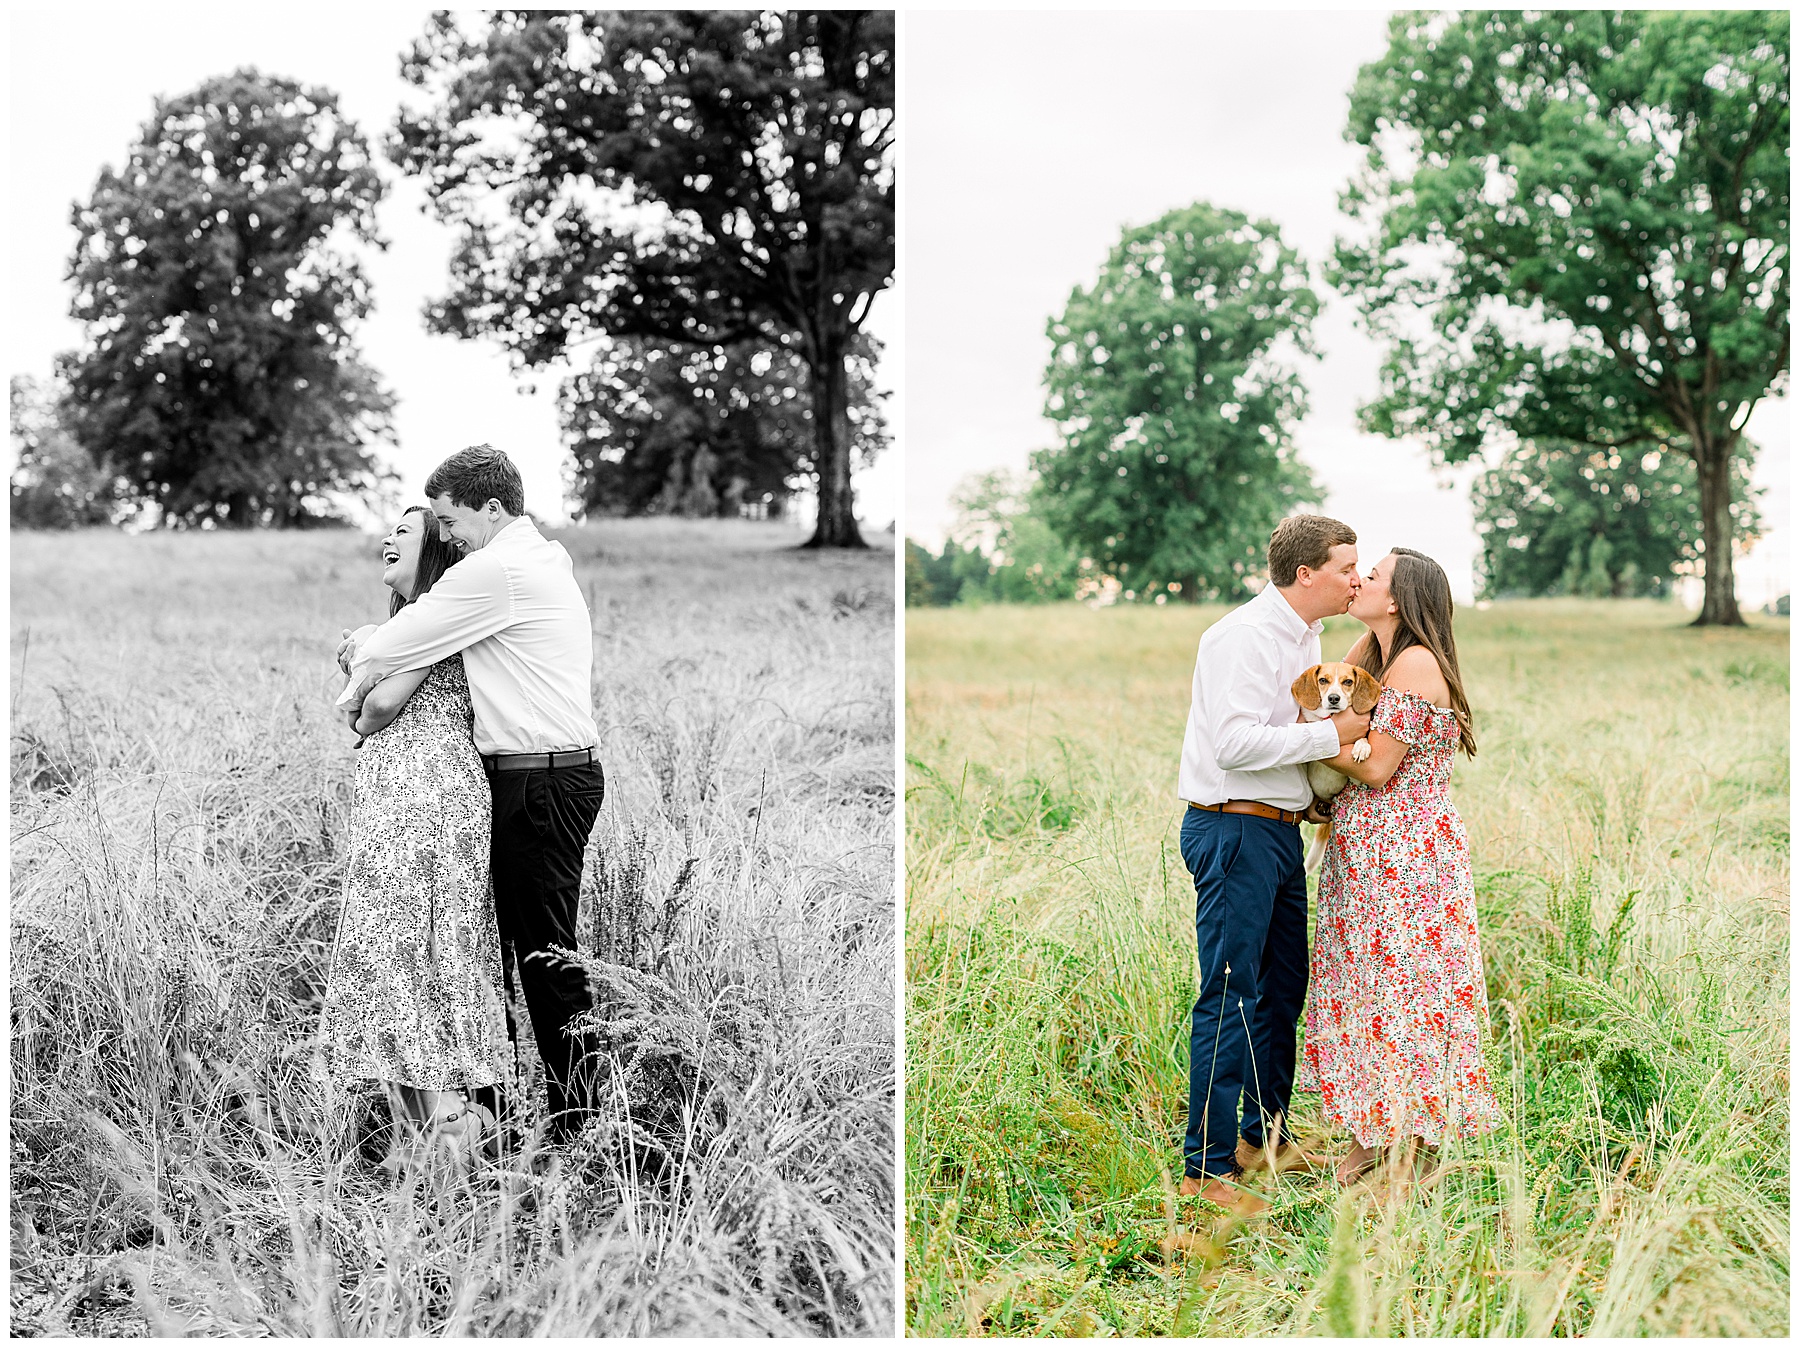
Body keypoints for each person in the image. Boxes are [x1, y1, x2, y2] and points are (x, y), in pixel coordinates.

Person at [337, 444, 604, 1147]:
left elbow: (402, 640)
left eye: (451, 520)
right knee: (495, 950)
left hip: (539, 778)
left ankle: (578, 1130)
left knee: (543, 958)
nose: (445, 535)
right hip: (536, 773)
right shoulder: (542, 557)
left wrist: (361, 649)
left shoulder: (499, 567)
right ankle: (501, 1111)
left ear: (491, 508)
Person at [1175, 515, 1370, 1218]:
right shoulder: (1244, 637)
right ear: (1307, 573)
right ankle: (1205, 1170)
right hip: (1233, 831)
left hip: (1279, 832)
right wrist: (1334, 734)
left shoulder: (1305, 637)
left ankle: (1265, 1137)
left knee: (1283, 991)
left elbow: (1279, 742)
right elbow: (1232, 745)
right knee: (1228, 995)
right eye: (1348, 566)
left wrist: (1310, 795)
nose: (1358, 576)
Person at [1303, 548, 1504, 1186]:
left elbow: (1375, 765)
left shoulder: (1415, 662)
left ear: (1397, 598)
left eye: (1375, 575)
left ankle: (1411, 1148)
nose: (1360, 579)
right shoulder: (1367, 655)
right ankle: (1372, 1135)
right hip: (1363, 851)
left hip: (1408, 855)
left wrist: (1300, 740)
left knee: (1410, 993)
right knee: (1366, 989)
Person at [320, 505, 508, 1163]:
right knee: (395, 954)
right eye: (387, 531)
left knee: (422, 953)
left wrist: (362, 663)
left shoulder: (434, 617)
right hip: (400, 801)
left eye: (404, 531)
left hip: (430, 801)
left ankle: (457, 1134)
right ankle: (432, 1136)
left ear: (433, 551)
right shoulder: (404, 626)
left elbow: (376, 707)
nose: (386, 539)